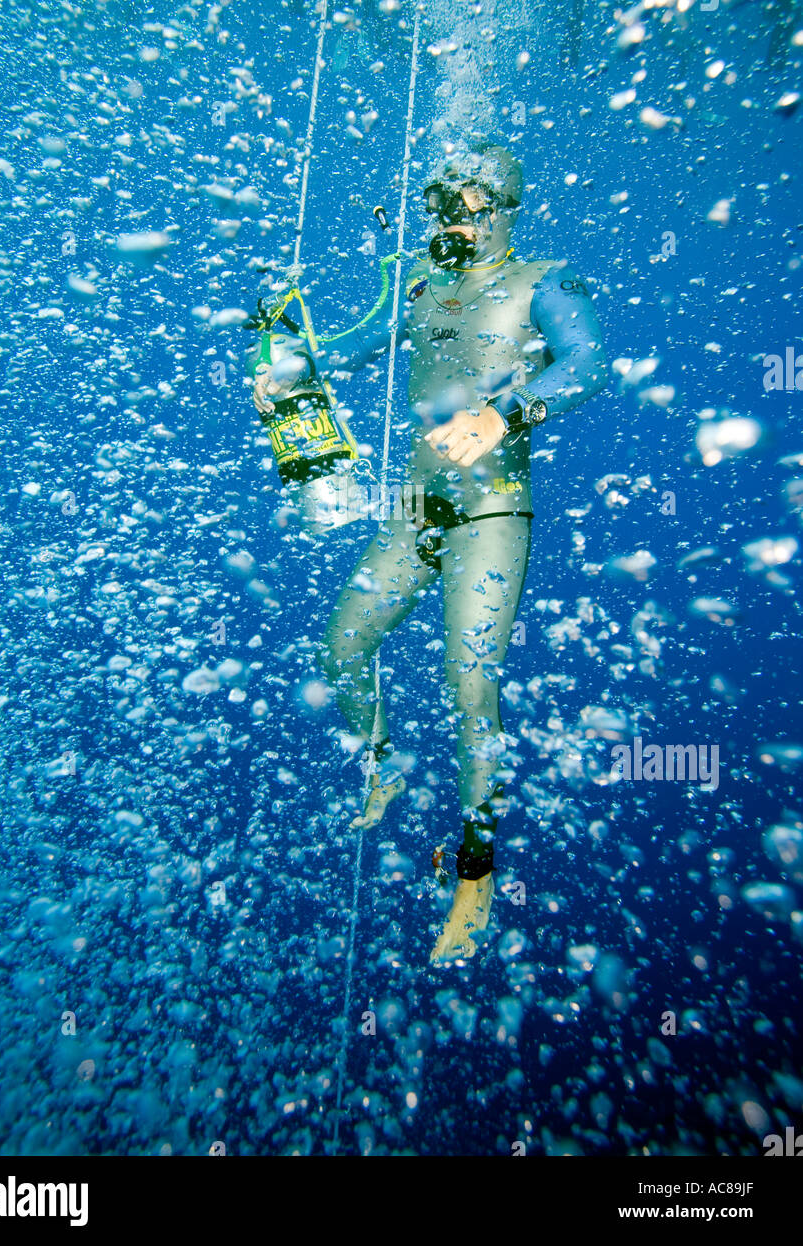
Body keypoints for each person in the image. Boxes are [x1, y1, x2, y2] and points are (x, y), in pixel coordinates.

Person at [253, 144, 609, 964]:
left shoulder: (546, 280)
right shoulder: (420, 283)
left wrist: (508, 414)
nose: (455, 214)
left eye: (474, 201)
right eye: (442, 198)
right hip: (415, 503)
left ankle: (476, 876)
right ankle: (382, 769)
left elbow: (590, 364)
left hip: (492, 507)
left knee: (470, 684)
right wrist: (290, 362)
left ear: (507, 208)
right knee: (344, 643)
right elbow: (359, 344)